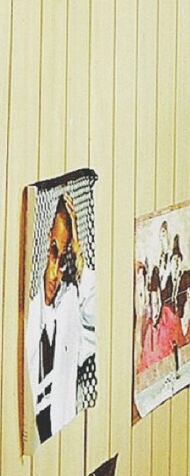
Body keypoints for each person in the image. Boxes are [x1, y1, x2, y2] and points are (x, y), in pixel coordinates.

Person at [25, 191, 97, 445]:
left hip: (57, 441)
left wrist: (78, 257)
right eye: (52, 252)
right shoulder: (26, 313)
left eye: (63, 256)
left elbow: (96, 324)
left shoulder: (68, 307)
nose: (55, 271)